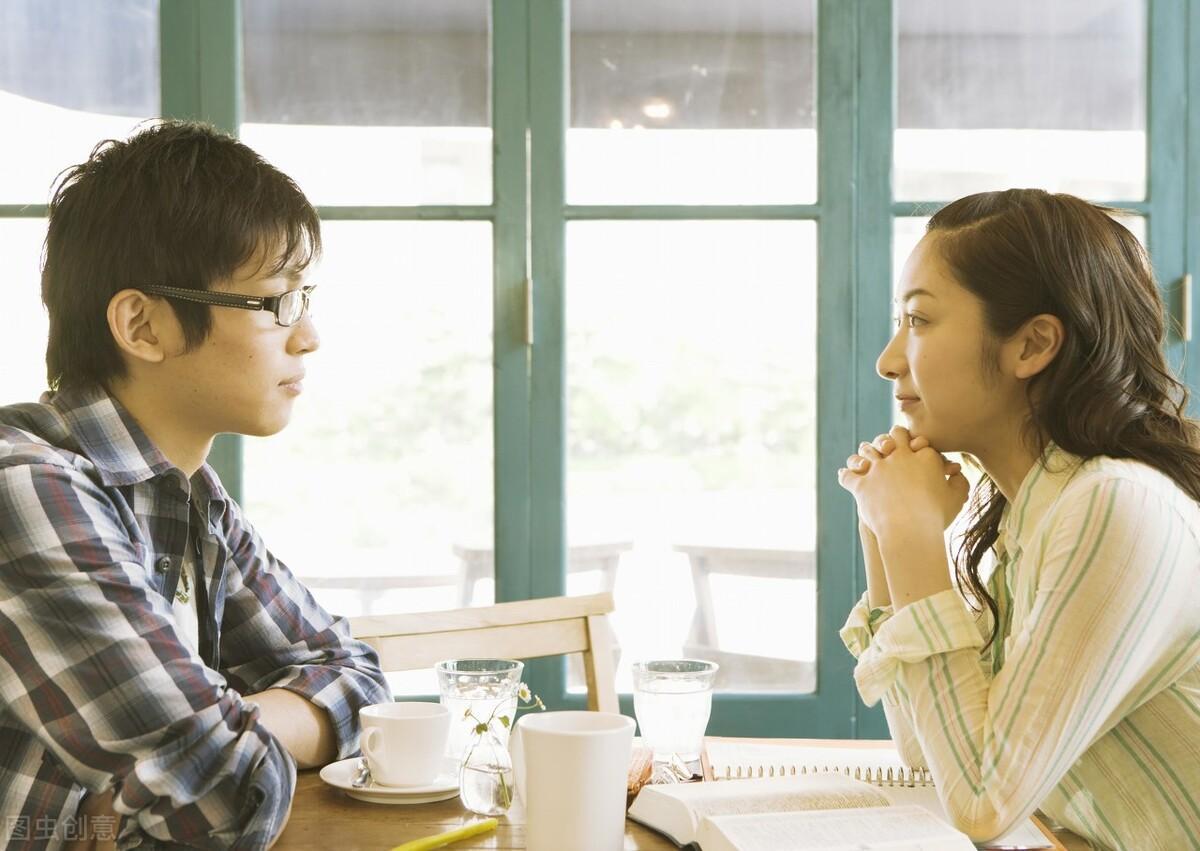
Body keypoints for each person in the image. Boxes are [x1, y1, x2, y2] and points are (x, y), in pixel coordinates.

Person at [0, 121, 391, 849]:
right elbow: (220, 793)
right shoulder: (24, 488)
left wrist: (231, 725)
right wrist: (216, 740)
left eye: (305, 297)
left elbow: (356, 679)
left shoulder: (186, 494)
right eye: (277, 302)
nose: (308, 336)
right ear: (143, 326)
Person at [836, 189, 1200, 850]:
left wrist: (910, 536)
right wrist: (882, 529)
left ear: (1032, 345)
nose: (888, 361)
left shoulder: (1113, 505)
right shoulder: (1032, 519)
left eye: (918, 320)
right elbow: (929, 753)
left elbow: (982, 802)